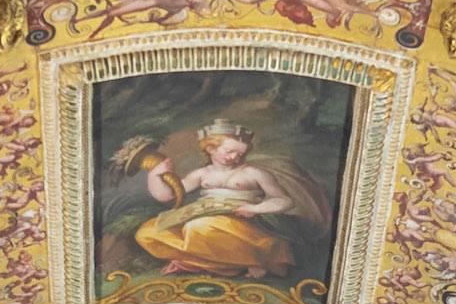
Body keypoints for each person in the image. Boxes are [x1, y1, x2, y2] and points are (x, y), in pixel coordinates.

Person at [134, 119, 327, 281]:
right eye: (230, 151)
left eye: (240, 154)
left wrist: (254, 209)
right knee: (147, 232)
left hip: (242, 222)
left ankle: (251, 257)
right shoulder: (202, 173)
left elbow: (285, 201)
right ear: (210, 148)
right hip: (202, 216)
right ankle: (221, 264)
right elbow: (167, 196)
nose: (235, 157)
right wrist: (155, 176)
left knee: (198, 229)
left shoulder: (253, 172)